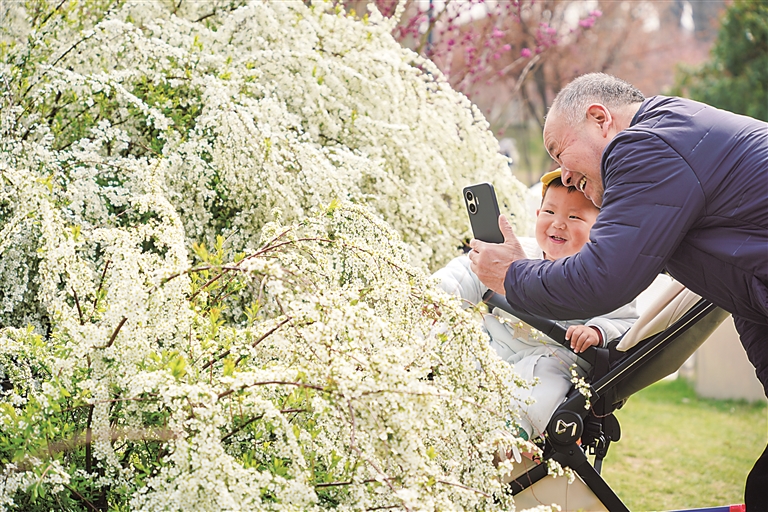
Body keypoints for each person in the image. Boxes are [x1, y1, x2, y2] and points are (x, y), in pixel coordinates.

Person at [466, 73, 768, 509]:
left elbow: (602, 278)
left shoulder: (644, 144)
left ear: (599, 119)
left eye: (560, 152)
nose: (565, 176)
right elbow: (742, 282)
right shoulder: (673, 136)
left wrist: (511, 275)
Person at [434, 169, 638, 441]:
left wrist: (598, 331)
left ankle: (510, 433)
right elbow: (469, 272)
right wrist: (440, 295)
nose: (558, 224)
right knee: (455, 343)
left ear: (600, 228)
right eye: (549, 212)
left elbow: (627, 322)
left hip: (554, 357)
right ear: (538, 214)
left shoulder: (603, 276)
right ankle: (435, 398)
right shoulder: (519, 252)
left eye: (574, 217)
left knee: (546, 383)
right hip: (495, 342)